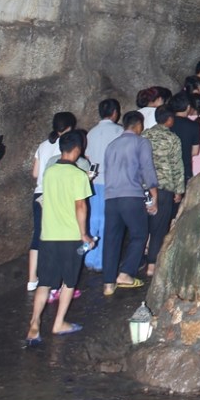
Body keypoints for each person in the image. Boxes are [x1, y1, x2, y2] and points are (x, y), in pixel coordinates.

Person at [24, 130, 96, 345]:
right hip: (70, 236)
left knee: (44, 283)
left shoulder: (50, 172)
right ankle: (59, 323)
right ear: (78, 149)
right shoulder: (78, 175)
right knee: (69, 281)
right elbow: (80, 205)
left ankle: (34, 325)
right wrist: (84, 234)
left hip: (48, 236)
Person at [102, 111, 157, 296]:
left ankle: (108, 283)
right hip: (131, 196)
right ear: (139, 125)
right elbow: (147, 169)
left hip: (110, 198)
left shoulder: (111, 146)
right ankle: (126, 274)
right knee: (139, 235)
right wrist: (153, 193)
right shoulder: (141, 142)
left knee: (111, 239)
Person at [28, 110, 77, 292]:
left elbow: (34, 173)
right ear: (71, 127)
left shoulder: (42, 145)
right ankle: (54, 279)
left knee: (38, 235)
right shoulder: (68, 146)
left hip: (39, 193)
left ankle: (32, 279)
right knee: (56, 236)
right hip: (57, 195)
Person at [143, 105, 184, 276]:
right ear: (169, 120)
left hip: (144, 187)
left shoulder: (144, 135)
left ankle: (138, 259)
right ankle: (152, 265)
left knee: (143, 226)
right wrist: (179, 190)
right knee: (159, 228)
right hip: (165, 187)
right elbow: (177, 165)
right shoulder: (172, 139)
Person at [82, 98, 122, 271]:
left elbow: (88, 158)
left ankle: (89, 258)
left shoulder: (91, 133)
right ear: (115, 113)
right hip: (111, 183)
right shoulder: (119, 131)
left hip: (92, 182)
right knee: (108, 222)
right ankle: (102, 262)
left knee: (92, 220)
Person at [168, 91, 200, 186]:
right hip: (184, 169)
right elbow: (195, 151)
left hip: (167, 170)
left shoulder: (166, 123)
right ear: (188, 107)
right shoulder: (194, 126)